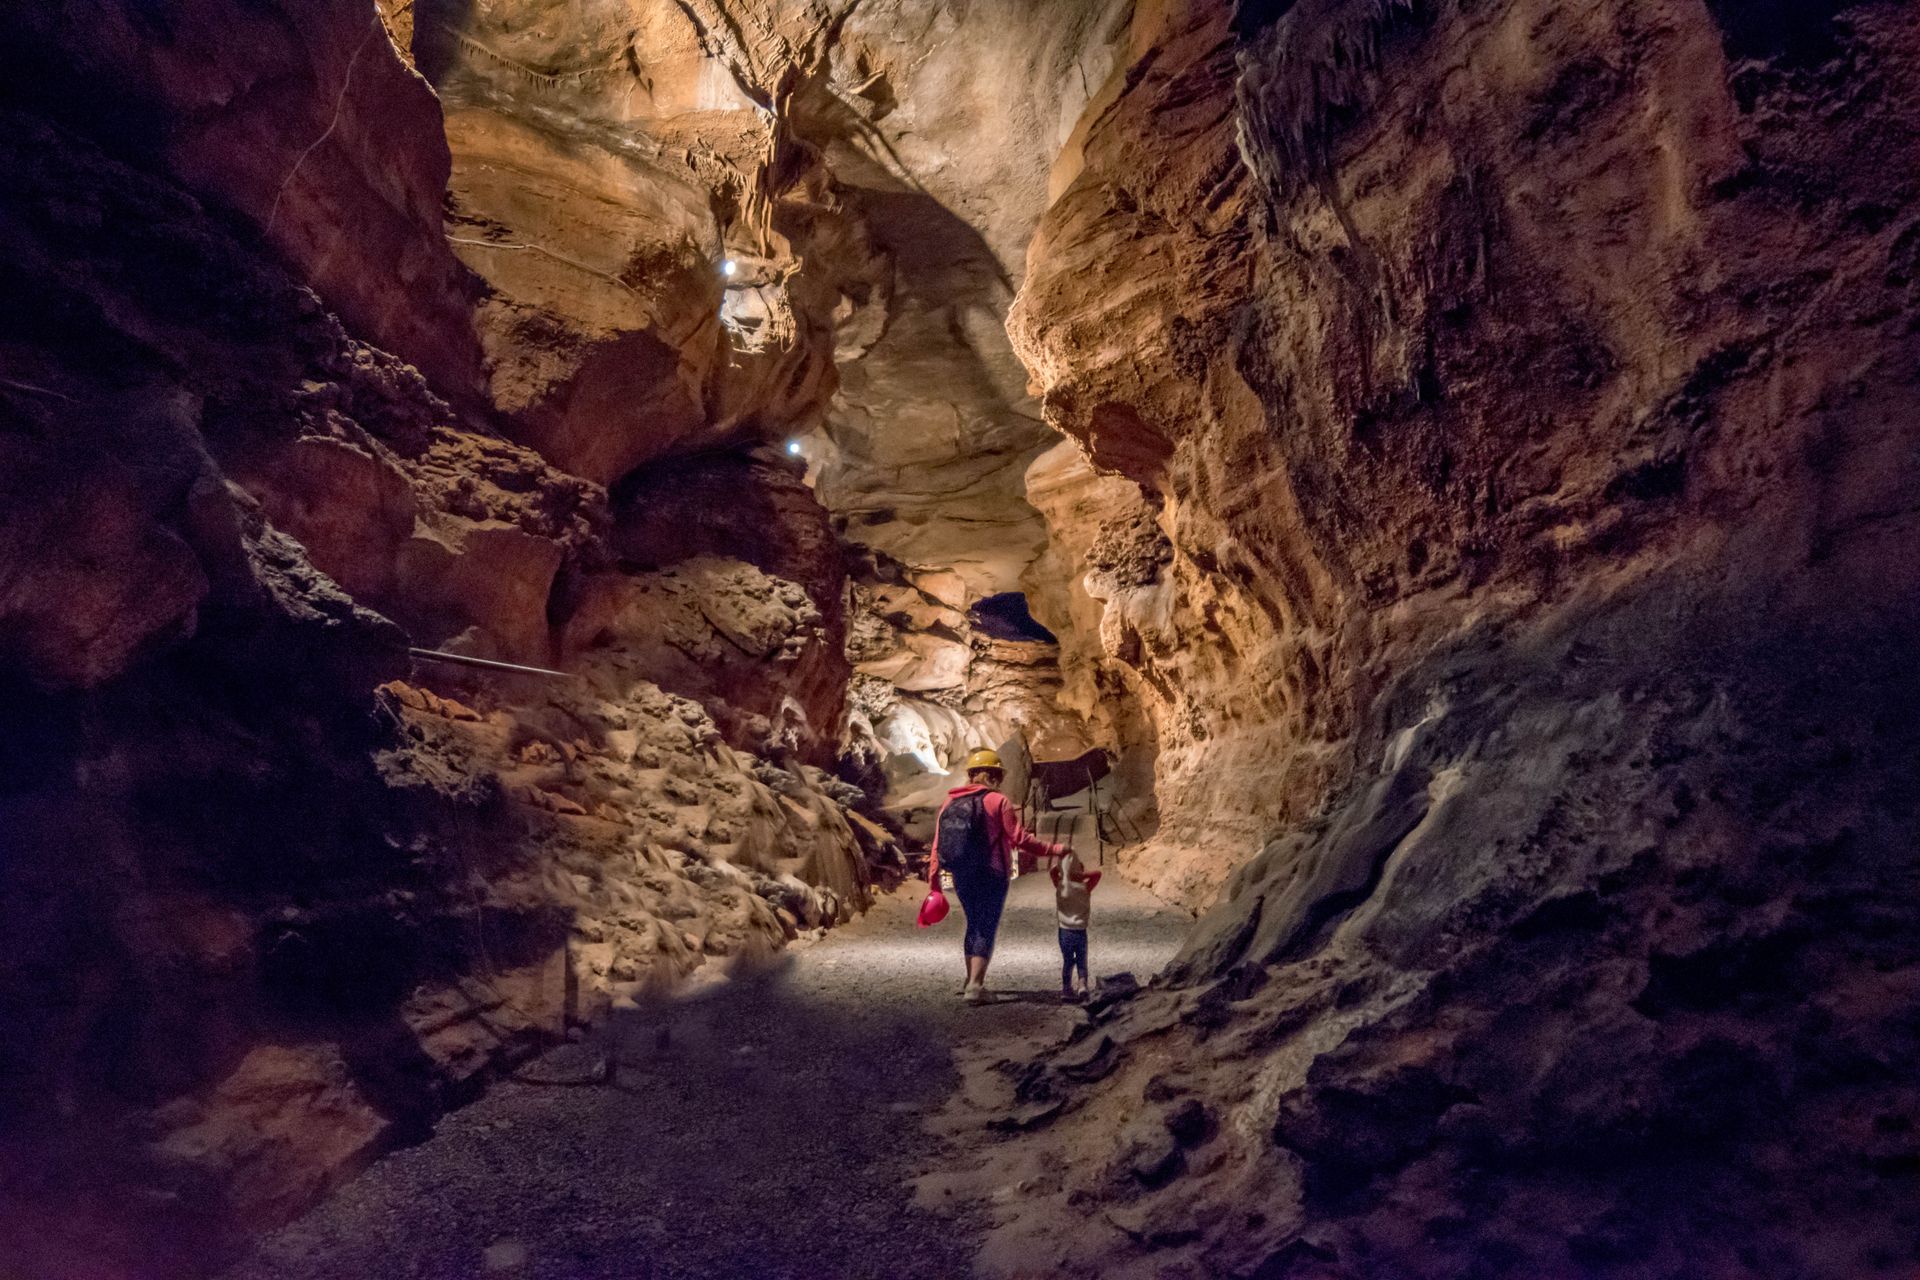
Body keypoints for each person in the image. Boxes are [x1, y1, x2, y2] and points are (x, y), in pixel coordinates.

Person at [928, 747, 1067, 1004]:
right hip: (992, 873)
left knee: (973, 922)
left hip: (961, 873)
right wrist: (1054, 849)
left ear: (971, 775)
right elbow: (1019, 838)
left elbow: (937, 843)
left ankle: (970, 979)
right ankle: (976, 987)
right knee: (986, 926)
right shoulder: (998, 801)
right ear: (995, 776)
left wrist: (934, 880)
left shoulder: (950, 801)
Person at [1050, 848, 1102, 1002]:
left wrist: (1064, 870)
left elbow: (1052, 872)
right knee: (1081, 959)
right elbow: (1097, 874)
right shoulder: (1085, 888)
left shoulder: (1061, 887)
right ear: (1080, 871)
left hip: (1064, 931)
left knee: (1067, 961)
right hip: (1080, 930)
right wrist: (1079, 875)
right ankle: (1082, 985)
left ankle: (1066, 989)